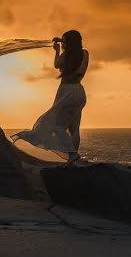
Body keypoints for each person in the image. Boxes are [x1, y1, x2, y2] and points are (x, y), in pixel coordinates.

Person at [12, 29, 89, 166]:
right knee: (74, 126)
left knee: (55, 123)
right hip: (79, 92)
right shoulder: (84, 54)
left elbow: (57, 65)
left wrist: (57, 51)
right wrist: (60, 46)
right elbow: (78, 72)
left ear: (69, 43)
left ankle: (72, 154)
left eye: (65, 42)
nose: (63, 44)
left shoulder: (66, 56)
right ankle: (72, 160)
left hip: (67, 91)